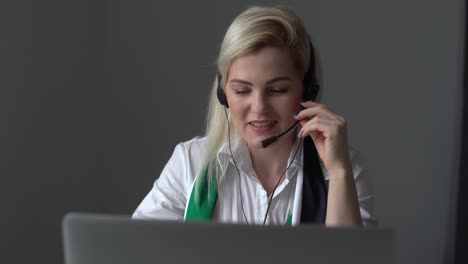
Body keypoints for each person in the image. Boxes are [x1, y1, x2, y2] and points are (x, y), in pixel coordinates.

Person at [132, 5, 377, 226]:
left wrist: (339, 172)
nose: (259, 107)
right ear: (222, 93)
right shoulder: (191, 162)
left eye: (277, 90)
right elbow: (135, 250)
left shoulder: (342, 168)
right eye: (242, 90)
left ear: (308, 89)